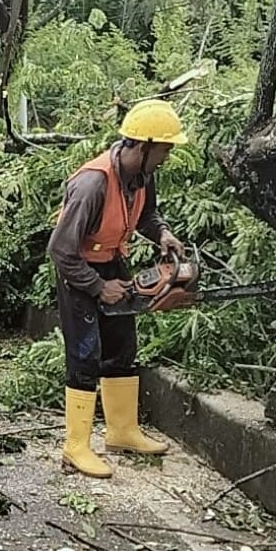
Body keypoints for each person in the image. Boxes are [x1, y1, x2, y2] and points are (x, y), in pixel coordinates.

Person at [46, 99, 187, 480]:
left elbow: (145, 215)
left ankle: (122, 431)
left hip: (112, 261)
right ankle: (76, 446)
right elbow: (60, 250)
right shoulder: (93, 183)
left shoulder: (141, 176)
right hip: (78, 269)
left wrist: (162, 234)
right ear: (142, 147)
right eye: (164, 150)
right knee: (85, 354)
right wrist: (97, 286)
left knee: (122, 346)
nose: (166, 158)